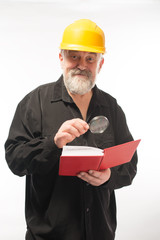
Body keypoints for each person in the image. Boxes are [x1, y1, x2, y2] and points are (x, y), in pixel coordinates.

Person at [5, 19, 138, 240]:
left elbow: (129, 164)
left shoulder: (111, 107)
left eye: (90, 58)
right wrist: (53, 143)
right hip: (49, 235)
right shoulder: (35, 102)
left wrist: (108, 177)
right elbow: (15, 160)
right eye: (74, 56)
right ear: (61, 58)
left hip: (99, 233)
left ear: (100, 64)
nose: (82, 65)